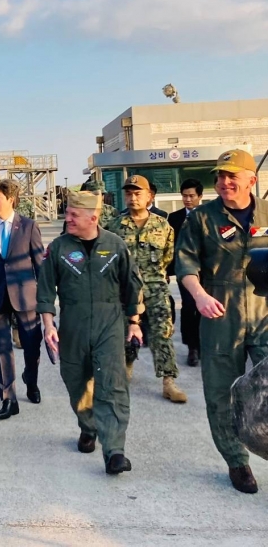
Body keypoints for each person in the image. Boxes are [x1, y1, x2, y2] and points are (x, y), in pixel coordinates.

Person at [176, 149, 268, 494]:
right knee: (220, 392)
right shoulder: (201, 218)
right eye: (220, 176)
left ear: (251, 180)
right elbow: (185, 265)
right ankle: (236, 461)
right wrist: (199, 295)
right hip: (219, 311)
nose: (224, 182)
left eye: (232, 176)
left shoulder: (267, 211)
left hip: (265, 312)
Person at [37, 191, 143, 475]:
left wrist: (134, 321)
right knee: (76, 382)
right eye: (67, 213)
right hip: (73, 323)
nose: (67, 218)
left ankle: (114, 451)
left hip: (110, 323)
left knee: (112, 385)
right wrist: (49, 325)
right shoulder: (58, 248)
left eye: (73, 215)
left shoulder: (116, 245)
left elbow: (132, 286)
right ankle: (88, 425)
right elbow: (45, 290)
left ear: (92, 218)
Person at [107, 176, 187, 403]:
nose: (132, 198)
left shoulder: (162, 225)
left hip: (155, 289)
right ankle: (127, 367)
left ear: (149, 196)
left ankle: (168, 381)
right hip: (124, 291)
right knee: (125, 333)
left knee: (162, 333)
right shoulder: (114, 226)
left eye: (138, 193)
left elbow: (167, 257)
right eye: (129, 194)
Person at [0, 179, 44, 419]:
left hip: (26, 297)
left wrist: (45, 301)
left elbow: (40, 265)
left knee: (31, 345)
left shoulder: (28, 226)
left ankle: (31, 380)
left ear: (10, 199)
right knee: (1, 348)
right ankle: (8, 399)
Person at [167, 178, 203, 366]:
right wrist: (168, 270)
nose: (187, 199)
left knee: (205, 310)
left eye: (191, 196)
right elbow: (169, 245)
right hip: (185, 271)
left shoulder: (209, 215)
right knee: (189, 307)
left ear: (200, 196)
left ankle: (204, 345)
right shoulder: (174, 217)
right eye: (184, 196)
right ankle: (192, 348)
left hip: (208, 271)